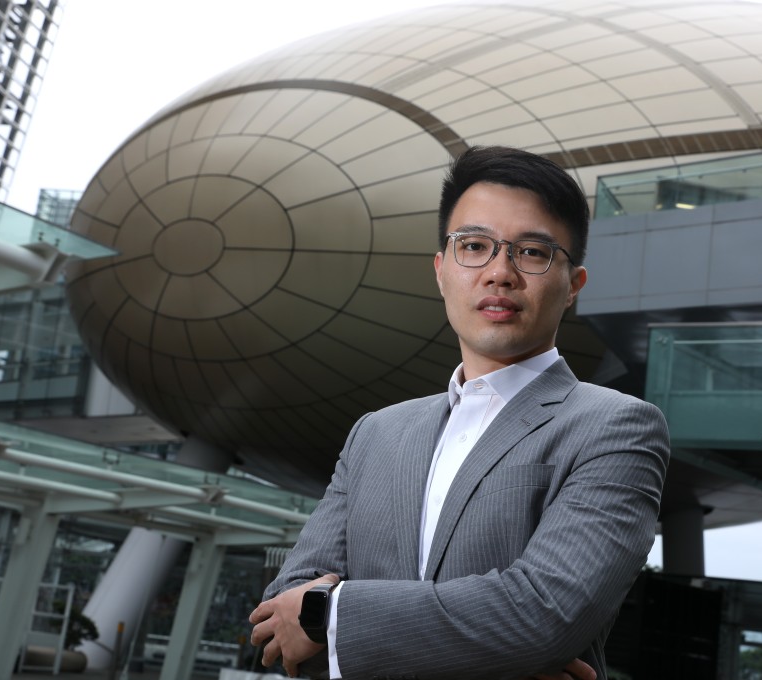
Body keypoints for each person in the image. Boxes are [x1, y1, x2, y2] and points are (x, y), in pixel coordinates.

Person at [249, 146, 670, 680]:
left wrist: (327, 615)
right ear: (442, 271)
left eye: (533, 252)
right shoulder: (376, 433)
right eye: (474, 246)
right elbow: (275, 622)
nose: (500, 273)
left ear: (573, 286)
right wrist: (495, 662)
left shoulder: (615, 428)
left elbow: (545, 615)